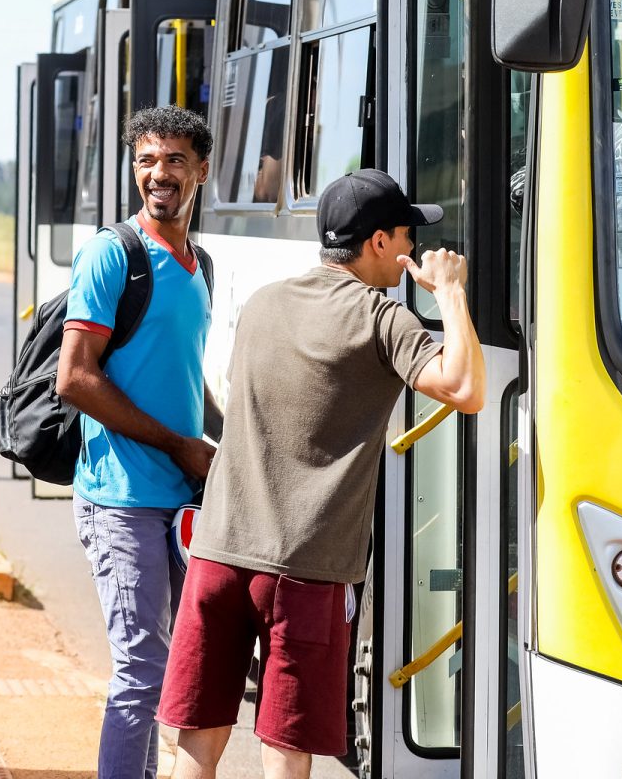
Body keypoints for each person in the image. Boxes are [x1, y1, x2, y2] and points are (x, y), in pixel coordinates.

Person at [156, 168, 486, 779]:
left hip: (217, 554)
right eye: (406, 234)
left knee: (195, 744)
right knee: (287, 747)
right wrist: (452, 293)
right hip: (302, 572)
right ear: (378, 242)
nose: (413, 248)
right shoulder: (382, 319)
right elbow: (466, 388)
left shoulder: (264, 303)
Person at [56, 105, 217, 779]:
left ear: (201, 171)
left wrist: (217, 446)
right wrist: (181, 446)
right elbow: (75, 379)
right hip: (120, 496)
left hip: (181, 500)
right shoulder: (112, 254)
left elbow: (181, 376)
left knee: (189, 672)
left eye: (175, 160)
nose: (160, 173)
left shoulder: (198, 261)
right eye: (147, 160)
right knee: (141, 673)